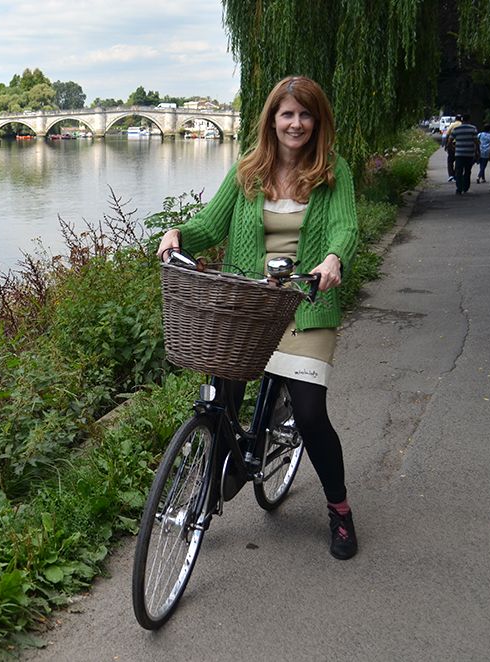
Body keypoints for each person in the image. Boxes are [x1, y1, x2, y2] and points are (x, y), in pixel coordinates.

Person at [155, 76, 360, 560]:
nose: (296, 123)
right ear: (271, 119)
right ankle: (222, 471)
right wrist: (177, 234)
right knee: (221, 398)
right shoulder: (248, 171)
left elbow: (345, 227)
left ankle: (341, 510)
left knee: (310, 415)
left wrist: (333, 259)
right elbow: (209, 224)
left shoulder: (333, 172)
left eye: (305, 115)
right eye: (287, 114)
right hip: (248, 303)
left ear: (317, 121)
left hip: (307, 303)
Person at [447, 114, 478, 194]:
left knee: (458, 171)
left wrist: (453, 148)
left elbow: (450, 141)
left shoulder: (457, 129)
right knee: (467, 171)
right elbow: (476, 141)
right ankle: (466, 187)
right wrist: (477, 151)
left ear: (462, 120)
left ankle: (459, 188)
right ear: (469, 120)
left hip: (459, 153)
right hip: (469, 153)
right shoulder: (473, 128)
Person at [443, 116, 462, 181]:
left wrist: (446, 145)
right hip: (460, 144)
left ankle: (451, 175)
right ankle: (457, 175)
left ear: (455, 119)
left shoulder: (452, 125)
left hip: (452, 144)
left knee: (450, 160)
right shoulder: (462, 125)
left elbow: (447, 134)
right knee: (458, 160)